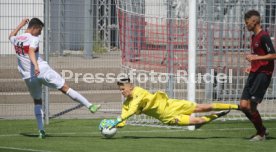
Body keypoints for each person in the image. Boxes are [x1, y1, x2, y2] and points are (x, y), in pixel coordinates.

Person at [9, 18, 101, 139]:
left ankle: (41, 130)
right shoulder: (34, 39)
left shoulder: (17, 40)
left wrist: (20, 25)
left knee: (37, 101)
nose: (40, 33)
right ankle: (90, 106)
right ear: (34, 28)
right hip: (42, 70)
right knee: (65, 88)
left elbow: (11, 35)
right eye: (40, 30)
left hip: (28, 76)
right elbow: (31, 51)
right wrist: (36, 65)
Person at [108, 78, 239, 129]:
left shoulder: (138, 92)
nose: (122, 92)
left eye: (123, 89)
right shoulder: (126, 105)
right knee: (198, 121)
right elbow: (123, 121)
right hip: (168, 118)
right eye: (120, 90)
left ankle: (236, 106)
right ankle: (218, 115)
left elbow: (132, 110)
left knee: (204, 107)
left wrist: (119, 119)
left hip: (172, 105)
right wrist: (112, 125)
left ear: (130, 87)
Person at [240, 10, 276, 141]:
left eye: (247, 22)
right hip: (255, 73)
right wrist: (252, 66)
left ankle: (260, 133)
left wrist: (255, 59)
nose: (246, 25)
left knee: (252, 105)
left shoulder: (264, 35)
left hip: (263, 74)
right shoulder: (253, 37)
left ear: (254, 21)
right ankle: (262, 130)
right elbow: (261, 57)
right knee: (243, 105)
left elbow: (273, 55)